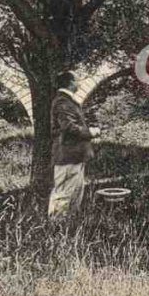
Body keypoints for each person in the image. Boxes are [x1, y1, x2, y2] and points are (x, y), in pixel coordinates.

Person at [47, 70, 100, 218]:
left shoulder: (65, 101)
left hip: (74, 155)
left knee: (75, 194)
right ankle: (55, 228)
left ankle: (67, 228)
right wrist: (91, 132)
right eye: (78, 80)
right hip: (68, 155)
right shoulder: (62, 102)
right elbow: (69, 127)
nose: (80, 82)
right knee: (64, 193)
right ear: (70, 83)